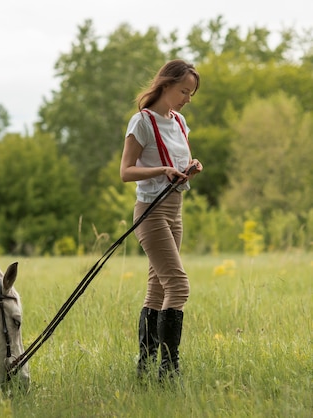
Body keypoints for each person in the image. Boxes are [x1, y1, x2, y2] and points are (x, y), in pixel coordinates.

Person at [119, 59, 203, 382]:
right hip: (150, 211)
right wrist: (161, 171)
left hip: (175, 209)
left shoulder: (179, 122)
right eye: (184, 91)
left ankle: (146, 366)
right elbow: (126, 172)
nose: (187, 99)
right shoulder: (140, 123)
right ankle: (168, 371)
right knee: (178, 285)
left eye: (191, 94)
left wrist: (190, 166)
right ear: (165, 85)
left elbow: (178, 162)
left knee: (157, 287)